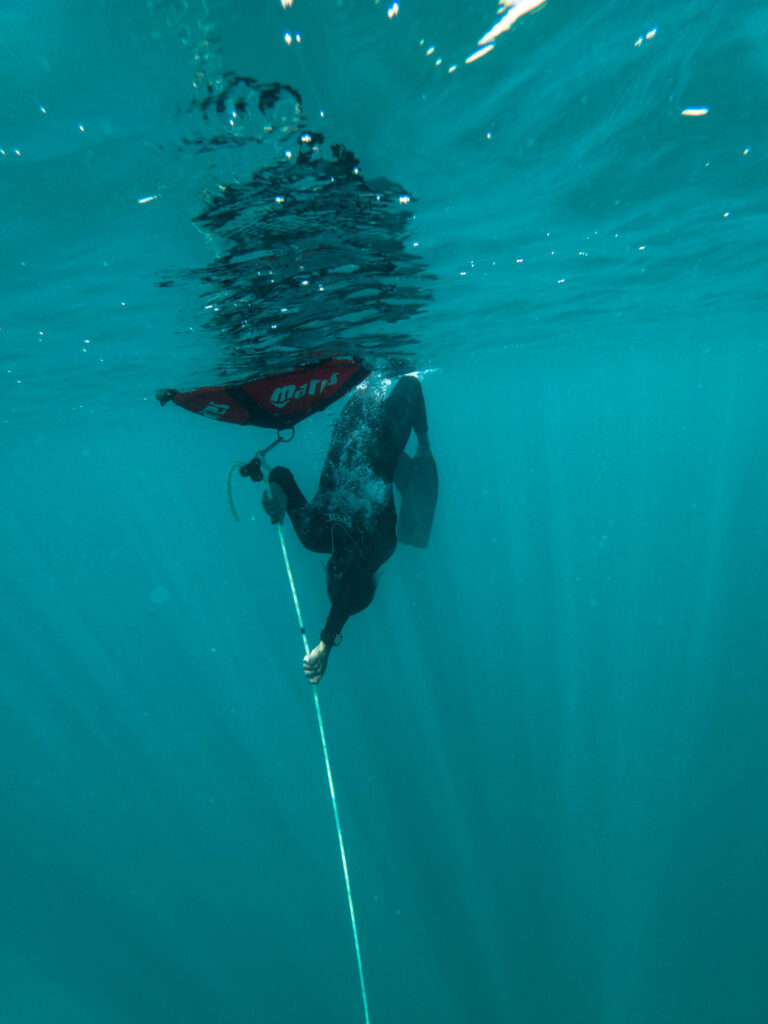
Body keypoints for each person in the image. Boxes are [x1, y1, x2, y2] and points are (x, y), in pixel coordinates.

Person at [261, 374, 436, 683]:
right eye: (347, 574)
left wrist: (276, 493)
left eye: (335, 573)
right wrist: (327, 643)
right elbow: (351, 586)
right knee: (409, 379)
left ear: (329, 571)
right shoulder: (378, 547)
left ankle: (419, 437)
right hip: (385, 438)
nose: (342, 567)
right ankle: (423, 441)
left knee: (368, 378)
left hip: (351, 428)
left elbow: (282, 474)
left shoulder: (315, 534)